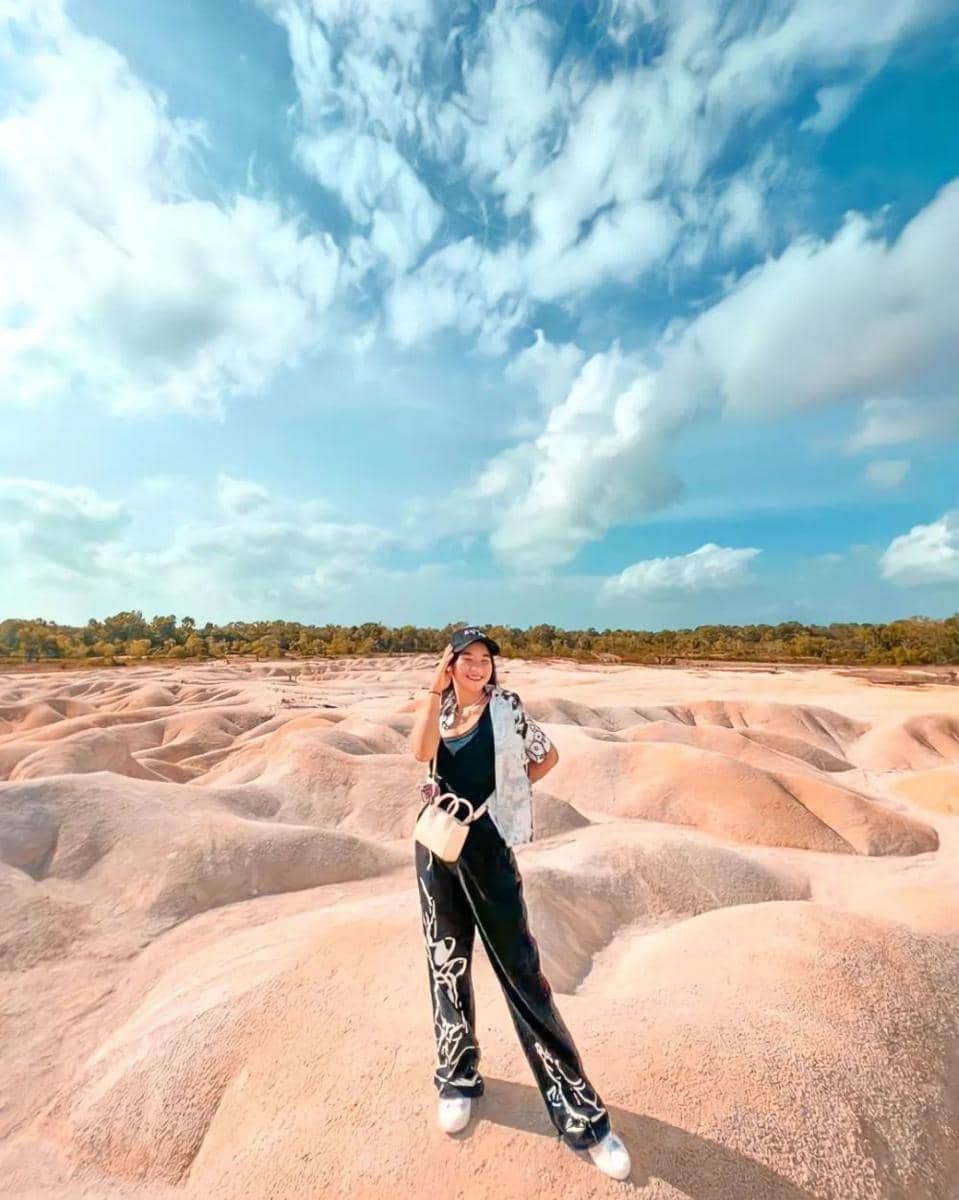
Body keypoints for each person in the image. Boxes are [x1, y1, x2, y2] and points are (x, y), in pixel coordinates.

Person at [409, 626, 631, 1181]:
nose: (479, 667)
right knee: (446, 963)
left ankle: (581, 1113)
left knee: (523, 976)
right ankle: (457, 1076)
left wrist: (508, 794)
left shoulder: (505, 707)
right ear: (451, 663)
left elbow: (546, 756)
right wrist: (434, 691)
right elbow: (419, 754)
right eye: (468, 659)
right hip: (437, 847)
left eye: (486, 659)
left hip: (487, 849)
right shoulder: (440, 710)